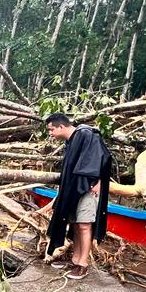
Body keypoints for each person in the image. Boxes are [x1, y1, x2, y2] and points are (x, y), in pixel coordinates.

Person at [40, 113, 112, 280]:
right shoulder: (72, 140)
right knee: (75, 225)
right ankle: (75, 259)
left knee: (84, 225)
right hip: (74, 188)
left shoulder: (87, 134)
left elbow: (104, 158)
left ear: (61, 127)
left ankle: (83, 264)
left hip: (87, 188)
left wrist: (100, 180)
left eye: (51, 130)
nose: (50, 133)